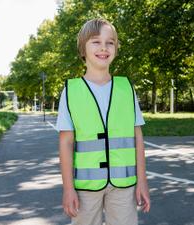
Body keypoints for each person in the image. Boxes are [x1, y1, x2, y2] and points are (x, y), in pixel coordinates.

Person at [56, 18, 150, 225]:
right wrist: (68, 188)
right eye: (96, 42)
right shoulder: (71, 91)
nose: (104, 48)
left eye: (110, 42)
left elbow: (138, 137)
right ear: (83, 49)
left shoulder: (126, 88)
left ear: (116, 48)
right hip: (85, 186)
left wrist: (142, 181)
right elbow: (66, 142)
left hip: (124, 185)